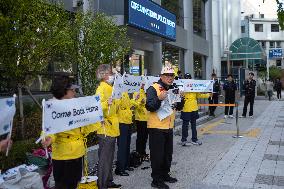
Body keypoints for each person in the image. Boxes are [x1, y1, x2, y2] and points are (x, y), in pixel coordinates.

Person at [42, 76, 100, 189]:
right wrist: (48, 138)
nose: (74, 92)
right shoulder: (53, 107)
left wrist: (98, 121)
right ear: (63, 91)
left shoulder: (76, 105)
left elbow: (83, 126)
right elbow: (48, 129)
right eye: (72, 90)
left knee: (74, 183)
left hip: (78, 152)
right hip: (64, 156)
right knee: (63, 186)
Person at [146, 64, 184, 189]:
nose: (170, 78)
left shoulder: (173, 88)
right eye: (167, 75)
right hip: (156, 127)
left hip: (168, 126)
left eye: (172, 75)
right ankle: (156, 180)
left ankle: (165, 174)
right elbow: (150, 106)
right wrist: (159, 98)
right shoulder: (153, 88)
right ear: (161, 76)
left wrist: (181, 99)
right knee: (157, 155)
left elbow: (178, 107)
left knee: (168, 154)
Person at [95, 64, 121, 189]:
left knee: (109, 157)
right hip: (106, 129)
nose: (112, 75)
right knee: (105, 159)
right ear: (104, 74)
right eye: (110, 73)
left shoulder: (109, 87)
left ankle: (108, 181)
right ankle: (102, 184)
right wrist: (106, 103)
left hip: (111, 128)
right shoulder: (101, 88)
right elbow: (97, 106)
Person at [180, 73, 210, 146]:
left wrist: (208, 95)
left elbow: (199, 95)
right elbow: (178, 95)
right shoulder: (181, 86)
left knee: (194, 125)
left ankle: (194, 139)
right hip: (185, 108)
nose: (188, 79)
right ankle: (184, 140)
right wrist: (181, 93)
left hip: (194, 108)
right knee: (185, 125)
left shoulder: (194, 85)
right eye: (186, 78)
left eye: (189, 78)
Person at [115, 92, 135, 176]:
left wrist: (134, 100)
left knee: (127, 144)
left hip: (128, 120)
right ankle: (120, 168)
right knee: (122, 146)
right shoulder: (117, 91)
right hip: (121, 122)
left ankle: (126, 165)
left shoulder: (125, 92)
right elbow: (116, 106)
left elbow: (129, 104)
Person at [133, 83, 149, 161]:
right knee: (140, 137)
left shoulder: (145, 92)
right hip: (140, 118)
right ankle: (139, 153)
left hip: (146, 118)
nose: (143, 84)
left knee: (145, 137)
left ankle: (143, 152)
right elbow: (136, 105)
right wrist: (141, 103)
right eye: (142, 83)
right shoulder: (137, 92)